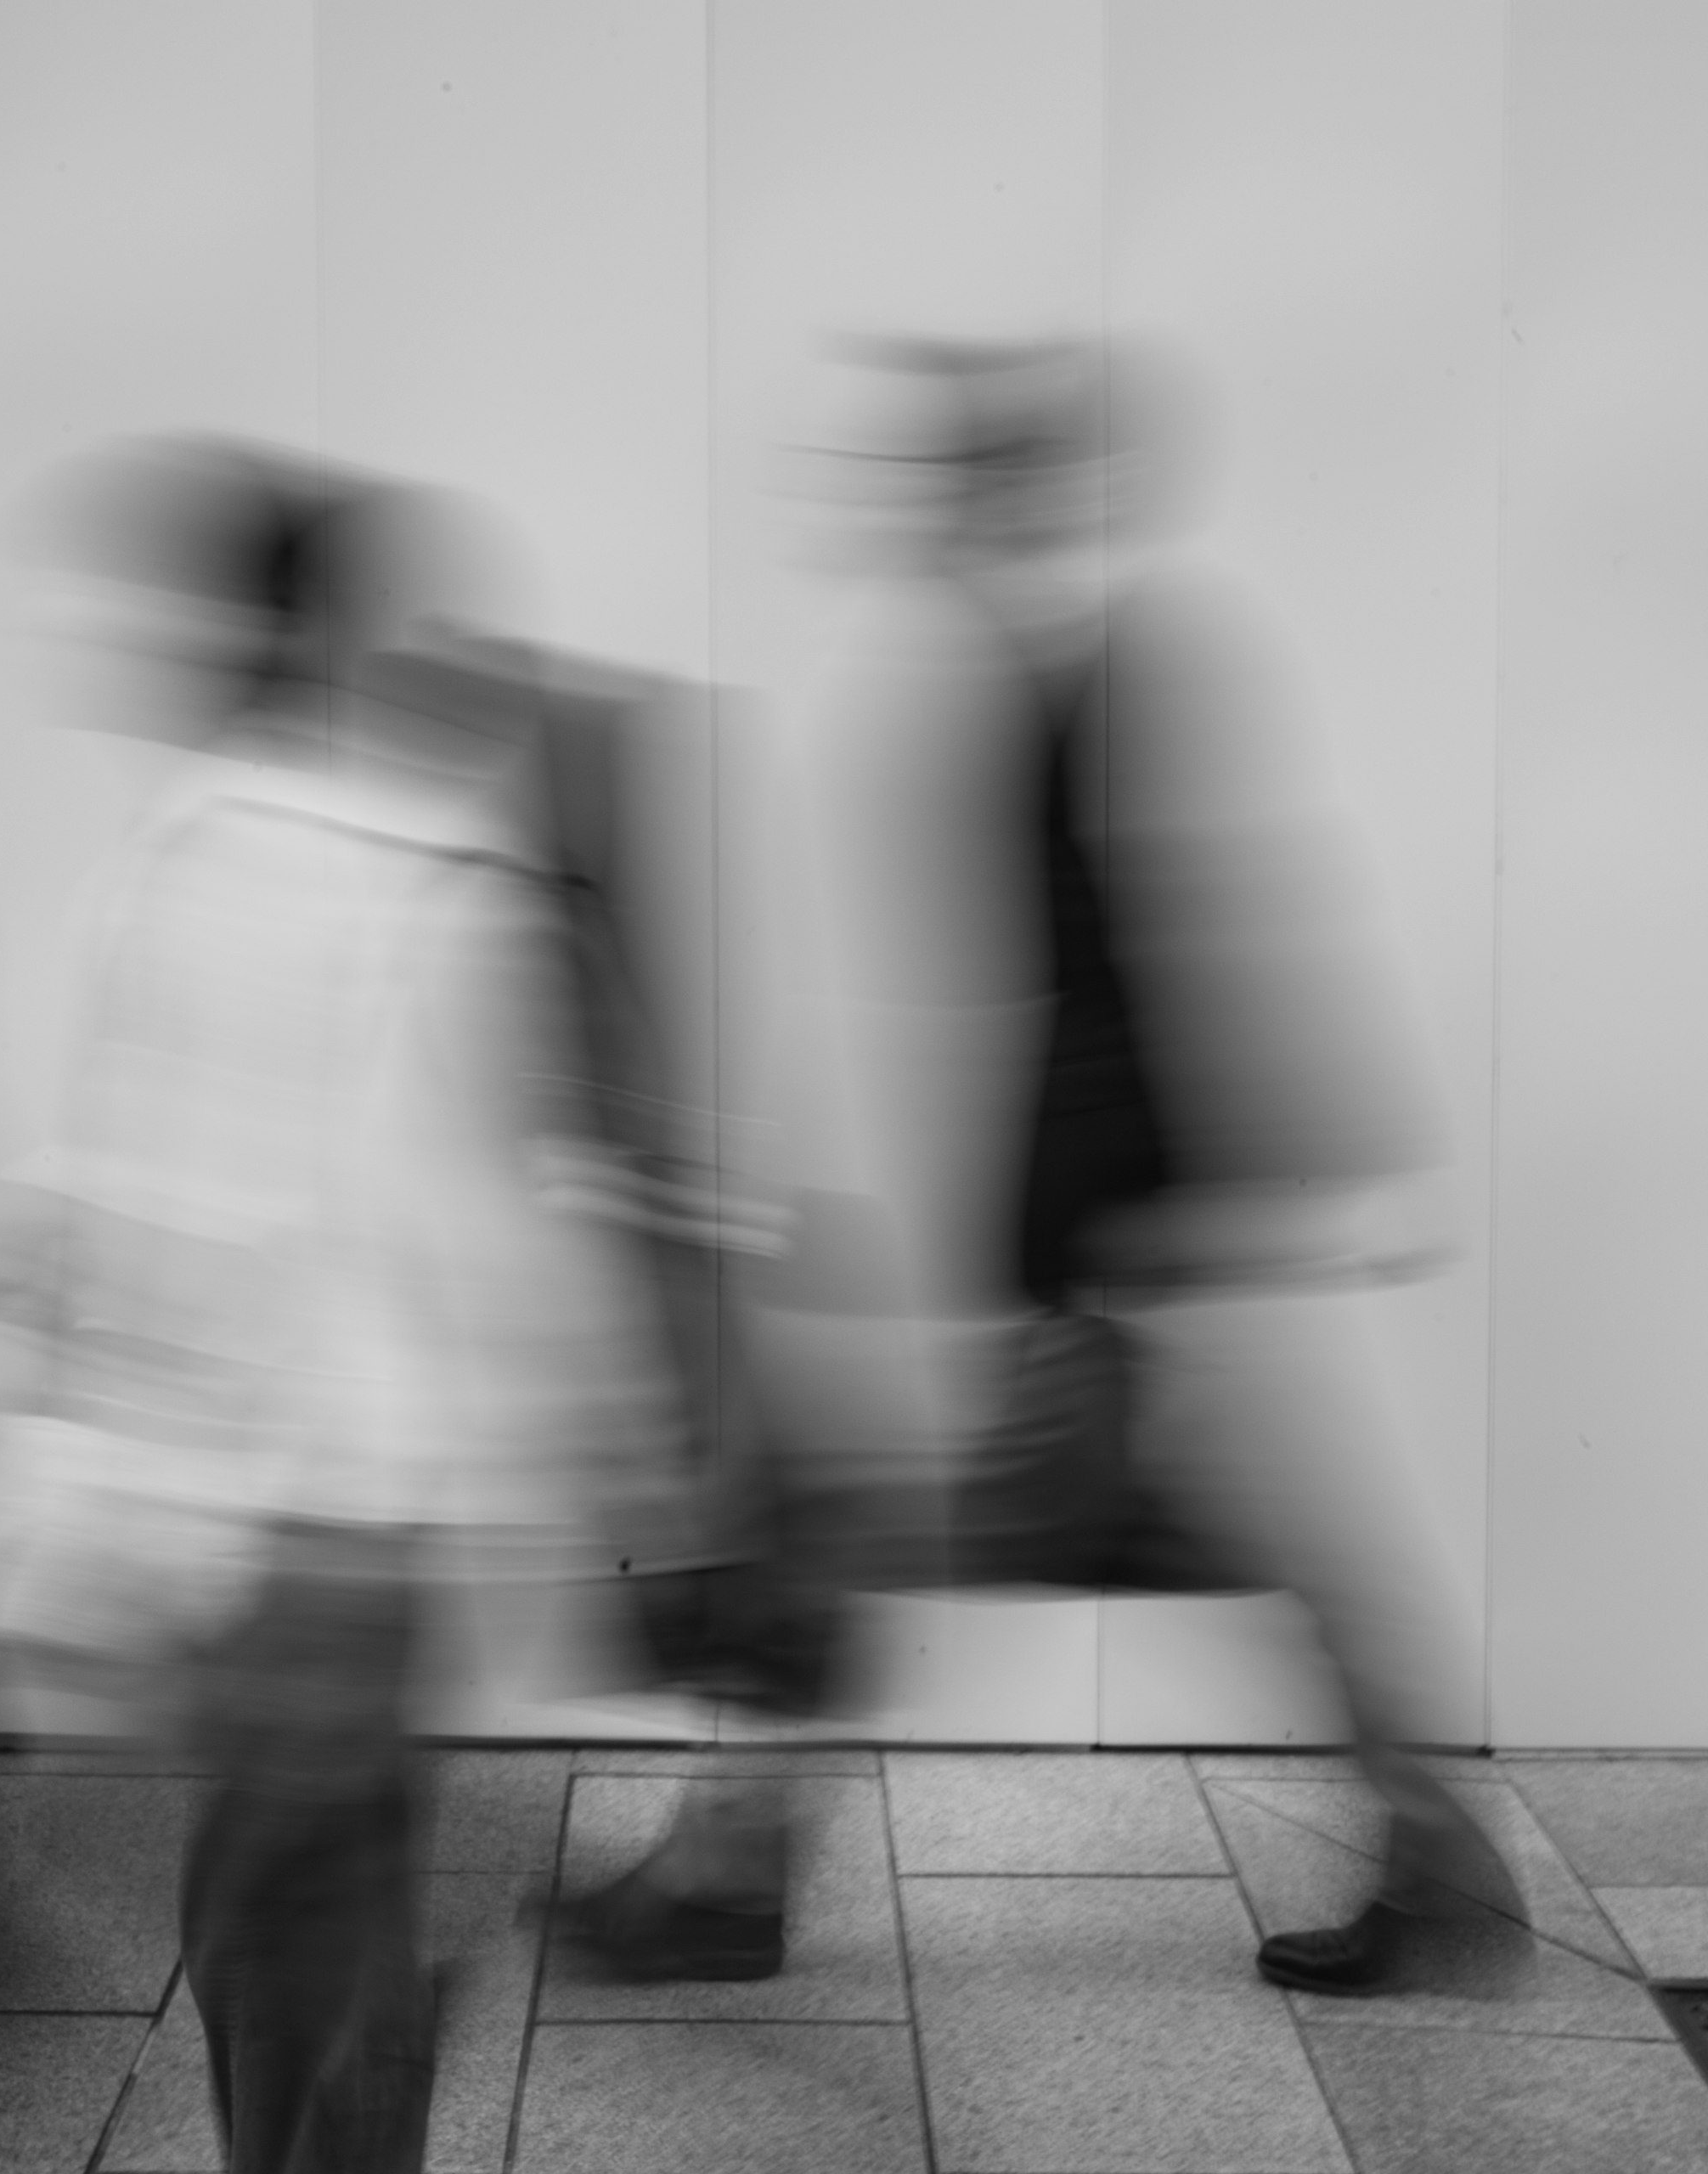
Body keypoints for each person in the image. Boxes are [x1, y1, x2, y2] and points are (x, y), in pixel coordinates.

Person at [561, 335, 1518, 1998]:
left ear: (1003, 490)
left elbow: (1195, 942)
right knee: (1277, 1561)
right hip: (1126, 1255)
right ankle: (1438, 1865)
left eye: (942, 476)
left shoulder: (1098, 669)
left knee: (852, 1532)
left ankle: (723, 1875)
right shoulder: (1034, 667)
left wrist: (1196, 1211)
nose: (906, 510)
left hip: (1144, 1258)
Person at [0, 438, 689, 2171]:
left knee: (283, 1901)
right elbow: (489, 1207)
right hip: (344, 1490)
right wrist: (617, 1429)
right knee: (296, 1896)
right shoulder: (418, 866)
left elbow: (121, 1169)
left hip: (228, 1491)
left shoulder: (177, 857)